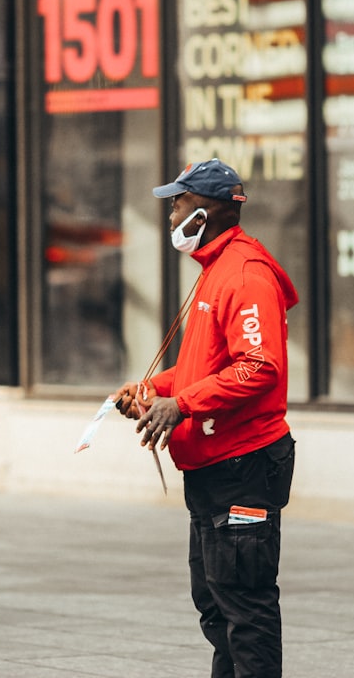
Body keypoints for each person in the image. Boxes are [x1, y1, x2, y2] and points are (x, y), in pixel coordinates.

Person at [113, 158, 298, 678]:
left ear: (207, 210)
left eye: (178, 202)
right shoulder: (215, 270)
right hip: (215, 469)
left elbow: (260, 367)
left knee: (245, 610)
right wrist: (154, 390)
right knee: (218, 607)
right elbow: (203, 367)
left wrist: (183, 405)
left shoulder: (244, 273)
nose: (171, 214)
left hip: (243, 467)